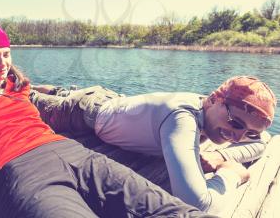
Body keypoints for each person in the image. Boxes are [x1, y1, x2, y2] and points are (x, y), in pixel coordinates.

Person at [0, 24, 218, 218]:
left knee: (172, 210)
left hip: (74, 153)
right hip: (23, 171)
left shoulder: (20, 88)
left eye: (6, 54)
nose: (2, 63)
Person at [30, 77, 276, 215]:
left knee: (65, 93)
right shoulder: (182, 119)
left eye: (249, 132)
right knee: (26, 98)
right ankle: (52, 92)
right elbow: (197, 204)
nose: (238, 136)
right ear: (213, 99)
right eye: (235, 122)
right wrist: (230, 174)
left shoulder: (212, 116)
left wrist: (222, 154)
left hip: (115, 101)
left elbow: (263, 142)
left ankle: (62, 90)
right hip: (84, 112)